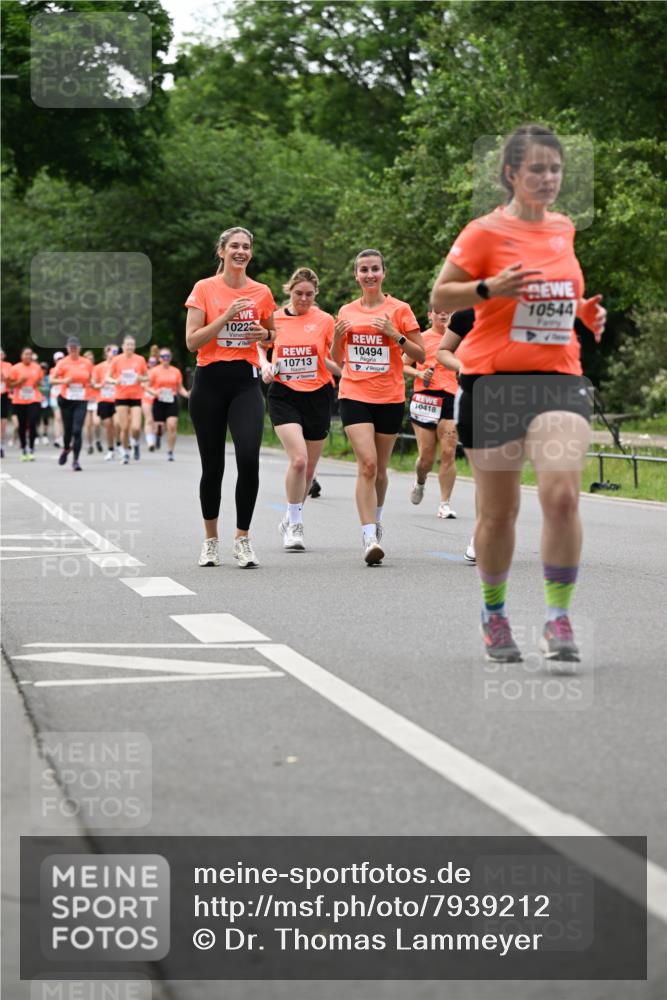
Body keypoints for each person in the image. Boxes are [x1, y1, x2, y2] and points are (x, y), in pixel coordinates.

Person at [432, 123, 605, 662]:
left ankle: (557, 619)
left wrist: (583, 312)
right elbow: (441, 293)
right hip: (493, 381)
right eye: (538, 169)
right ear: (511, 173)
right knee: (499, 512)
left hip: (558, 377)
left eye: (556, 169)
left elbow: (553, 295)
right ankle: (495, 613)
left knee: (561, 495)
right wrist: (488, 288)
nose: (549, 178)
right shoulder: (484, 232)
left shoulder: (564, 228)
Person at [185, 226, 276, 568]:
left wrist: (264, 333)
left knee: (249, 457)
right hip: (209, 382)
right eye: (234, 246)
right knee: (213, 466)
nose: (241, 251)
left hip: (245, 382)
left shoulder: (262, 291)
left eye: (246, 246)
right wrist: (226, 316)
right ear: (221, 251)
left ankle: (243, 539)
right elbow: (192, 342)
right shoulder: (204, 289)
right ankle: (211, 541)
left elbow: (271, 335)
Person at [331, 249, 425, 564]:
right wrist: (335, 337)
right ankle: (368, 535)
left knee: (381, 471)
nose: (369, 274)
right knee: (368, 464)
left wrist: (395, 335)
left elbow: (420, 354)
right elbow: (338, 359)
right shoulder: (346, 310)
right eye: (363, 270)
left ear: (383, 272)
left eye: (374, 269)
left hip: (389, 396)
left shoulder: (400, 309)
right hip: (354, 393)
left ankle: (376, 519)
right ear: (356, 275)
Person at [261, 267, 340, 551]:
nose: (303, 299)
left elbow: (331, 357)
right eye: (298, 294)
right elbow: (260, 345)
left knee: (309, 470)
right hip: (284, 394)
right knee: (298, 460)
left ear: (316, 294)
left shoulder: (325, 320)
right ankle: (295, 525)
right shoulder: (276, 318)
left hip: (318, 394)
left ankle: (290, 515)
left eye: (309, 294)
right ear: (289, 291)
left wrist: (347, 371)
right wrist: (265, 364)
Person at [403, 303, 460, 518]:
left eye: (448, 311)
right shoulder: (422, 339)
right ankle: (420, 481)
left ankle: (445, 503)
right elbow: (402, 364)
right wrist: (419, 375)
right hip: (425, 398)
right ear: (430, 315)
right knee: (426, 458)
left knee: (448, 451)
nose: (443, 314)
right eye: (439, 311)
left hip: (451, 397)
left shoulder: (459, 340)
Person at [435, 309, 477, 562]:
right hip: (475, 395)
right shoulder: (466, 316)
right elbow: (443, 351)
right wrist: (464, 365)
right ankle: (482, 535)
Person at [51, 336, 94, 471]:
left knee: (77, 430)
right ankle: (66, 448)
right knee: (68, 431)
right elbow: (52, 380)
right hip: (66, 400)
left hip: (81, 400)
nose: (73, 350)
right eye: (71, 347)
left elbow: (91, 379)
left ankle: (76, 460)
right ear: (67, 348)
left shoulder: (86, 363)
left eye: (75, 347)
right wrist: (64, 381)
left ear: (79, 348)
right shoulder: (63, 363)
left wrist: (93, 385)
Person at [108, 336, 148, 464]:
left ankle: (135, 443)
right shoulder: (116, 360)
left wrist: (140, 377)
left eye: (132, 345)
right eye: (127, 344)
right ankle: (125, 452)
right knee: (124, 427)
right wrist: (115, 381)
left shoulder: (140, 359)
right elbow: (107, 378)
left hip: (136, 396)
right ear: (123, 346)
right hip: (121, 396)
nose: (129, 347)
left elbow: (146, 377)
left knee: (136, 427)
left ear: (134, 346)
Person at [147, 348, 190, 460]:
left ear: (170, 358)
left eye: (167, 356)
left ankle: (170, 452)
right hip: (159, 400)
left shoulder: (176, 371)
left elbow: (180, 388)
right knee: (159, 428)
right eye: (163, 356)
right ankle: (158, 435)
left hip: (172, 400)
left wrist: (187, 394)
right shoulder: (154, 371)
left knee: (172, 425)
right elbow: (146, 386)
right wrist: (154, 392)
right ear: (159, 359)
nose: (165, 358)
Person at [8, 346, 43, 460]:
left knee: (33, 422)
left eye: (30, 354)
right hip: (19, 400)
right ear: (21, 356)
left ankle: (32, 448)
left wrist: (38, 383)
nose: (28, 356)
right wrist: (20, 381)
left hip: (33, 399)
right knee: (21, 425)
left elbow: (40, 382)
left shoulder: (37, 368)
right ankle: (24, 448)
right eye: (25, 354)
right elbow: (10, 385)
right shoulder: (15, 368)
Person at [93, 345, 119, 461]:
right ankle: (111, 449)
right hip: (103, 399)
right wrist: (100, 385)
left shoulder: (120, 367)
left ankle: (120, 444)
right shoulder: (98, 367)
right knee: (108, 425)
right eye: (112, 351)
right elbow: (93, 383)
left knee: (118, 424)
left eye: (116, 351)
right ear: (106, 353)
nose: (114, 353)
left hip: (117, 399)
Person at [143, 356, 159, 451]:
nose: (152, 364)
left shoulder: (159, 372)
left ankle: (157, 437)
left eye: (154, 362)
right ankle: (150, 443)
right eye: (150, 362)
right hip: (146, 398)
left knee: (157, 422)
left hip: (157, 399)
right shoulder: (145, 373)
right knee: (149, 419)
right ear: (148, 363)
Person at [49, 350, 65, 447]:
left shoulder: (67, 369)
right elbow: (52, 382)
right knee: (57, 417)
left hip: (64, 396)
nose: (60, 361)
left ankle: (62, 437)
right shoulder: (52, 370)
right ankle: (58, 438)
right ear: (55, 361)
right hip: (55, 396)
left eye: (61, 359)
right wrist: (63, 380)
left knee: (63, 418)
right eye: (58, 359)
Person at [1, 348, 13, 458]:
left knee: (3, 422)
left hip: (4, 394)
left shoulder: (8, 366)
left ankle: (1, 445)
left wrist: (3, 377)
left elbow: (11, 380)